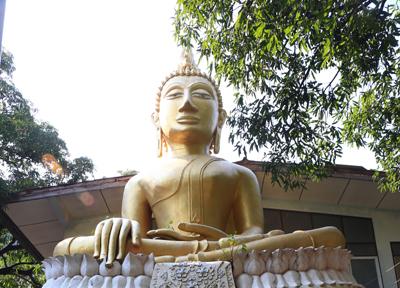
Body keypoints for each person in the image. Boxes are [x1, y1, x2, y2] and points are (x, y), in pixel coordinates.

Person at [54, 50, 345, 264]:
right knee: (67, 249)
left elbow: (253, 232)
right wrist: (118, 230)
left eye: (202, 95)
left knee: (331, 237)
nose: (187, 104)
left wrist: (226, 244)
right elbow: (135, 246)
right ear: (156, 119)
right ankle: (207, 255)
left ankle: (204, 254)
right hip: (173, 252)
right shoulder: (141, 182)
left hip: (228, 250)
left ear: (221, 118)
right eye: (174, 95)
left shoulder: (239, 174)